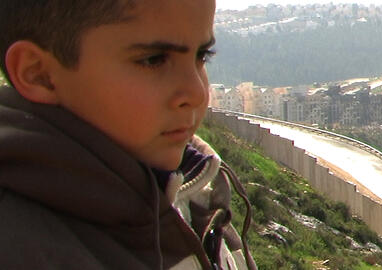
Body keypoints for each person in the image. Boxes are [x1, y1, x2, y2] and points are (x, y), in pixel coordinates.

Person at [0, 0, 256, 269]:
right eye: (153, 60)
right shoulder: (22, 249)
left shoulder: (198, 198)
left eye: (201, 56)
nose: (197, 93)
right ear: (38, 74)